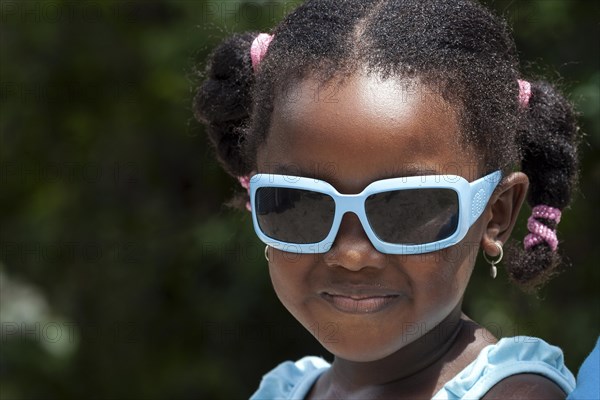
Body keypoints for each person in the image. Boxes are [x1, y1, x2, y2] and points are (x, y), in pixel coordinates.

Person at [193, 0, 580, 398]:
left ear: (495, 214)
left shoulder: (516, 395)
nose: (352, 254)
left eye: (407, 207)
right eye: (302, 202)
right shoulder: (285, 390)